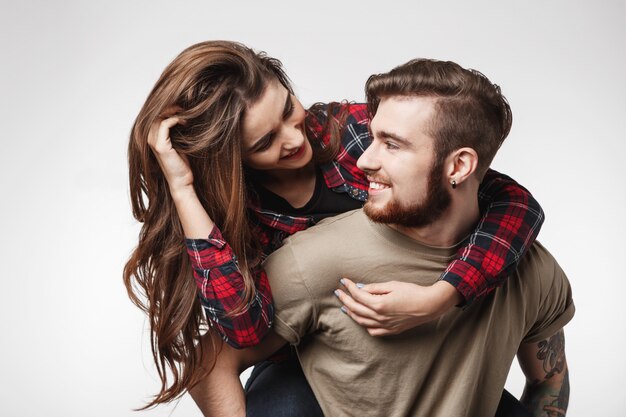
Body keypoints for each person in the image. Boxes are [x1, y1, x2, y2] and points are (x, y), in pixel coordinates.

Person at [124, 41, 544, 412]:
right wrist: (183, 189)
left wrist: (440, 297)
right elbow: (244, 329)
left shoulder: (355, 134)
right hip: (301, 362)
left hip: (415, 339)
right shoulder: (231, 215)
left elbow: (511, 201)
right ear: (228, 158)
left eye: (289, 110)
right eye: (264, 142)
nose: (293, 138)